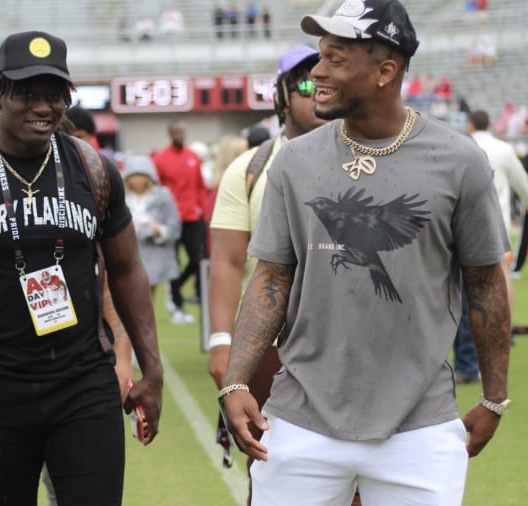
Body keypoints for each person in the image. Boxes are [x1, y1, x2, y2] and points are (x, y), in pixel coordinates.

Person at [220, 2, 511, 505]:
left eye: (336, 59)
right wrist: (236, 380)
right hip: (299, 419)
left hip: (420, 427)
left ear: (385, 71)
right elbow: (271, 277)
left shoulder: (460, 161)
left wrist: (494, 396)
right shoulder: (294, 160)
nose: (317, 73)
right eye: (319, 57)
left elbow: (485, 282)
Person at [0, 30, 163, 506]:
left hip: (84, 383)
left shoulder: (95, 172)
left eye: (55, 94)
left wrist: (152, 368)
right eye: (26, 93)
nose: (43, 107)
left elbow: (126, 272)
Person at [209, 45, 335, 506]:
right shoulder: (249, 169)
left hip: (347, 348)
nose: (318, 90)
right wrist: (222, 342)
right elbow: (226, 260)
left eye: (327, 79)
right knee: (270, 467)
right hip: (271, 347)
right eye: (304, 83)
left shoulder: (367, 159)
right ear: (281, 94)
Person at [454, 109, 528, 383]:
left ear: (471, 124)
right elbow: (524, 186)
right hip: (496, 225)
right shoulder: (505, 148)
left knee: (462, 290)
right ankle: (502, 333)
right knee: (499, 279)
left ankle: (465, 359)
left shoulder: (459, 145)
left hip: (462, 223)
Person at [153, 119, 207, 324]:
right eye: (176, 131)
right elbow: (157, 190)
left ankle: (178, 288)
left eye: (182, 131)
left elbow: (200, 186)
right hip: (171, 220)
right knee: (173, 264)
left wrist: (202, 211)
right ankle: (177, 305)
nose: (180, 135)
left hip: (193, 217)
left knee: (197, 259)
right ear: (170, 133)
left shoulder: (193, 157)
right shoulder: (160, 159)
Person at [123, 155, 182, 296]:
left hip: (154, 254)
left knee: (146, 295)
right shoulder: (122, 198)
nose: (137, 181)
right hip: (127, 253)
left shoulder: (162, 196)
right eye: (134, 176)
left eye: (141, 176)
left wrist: (159, 230)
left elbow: (174, 226)